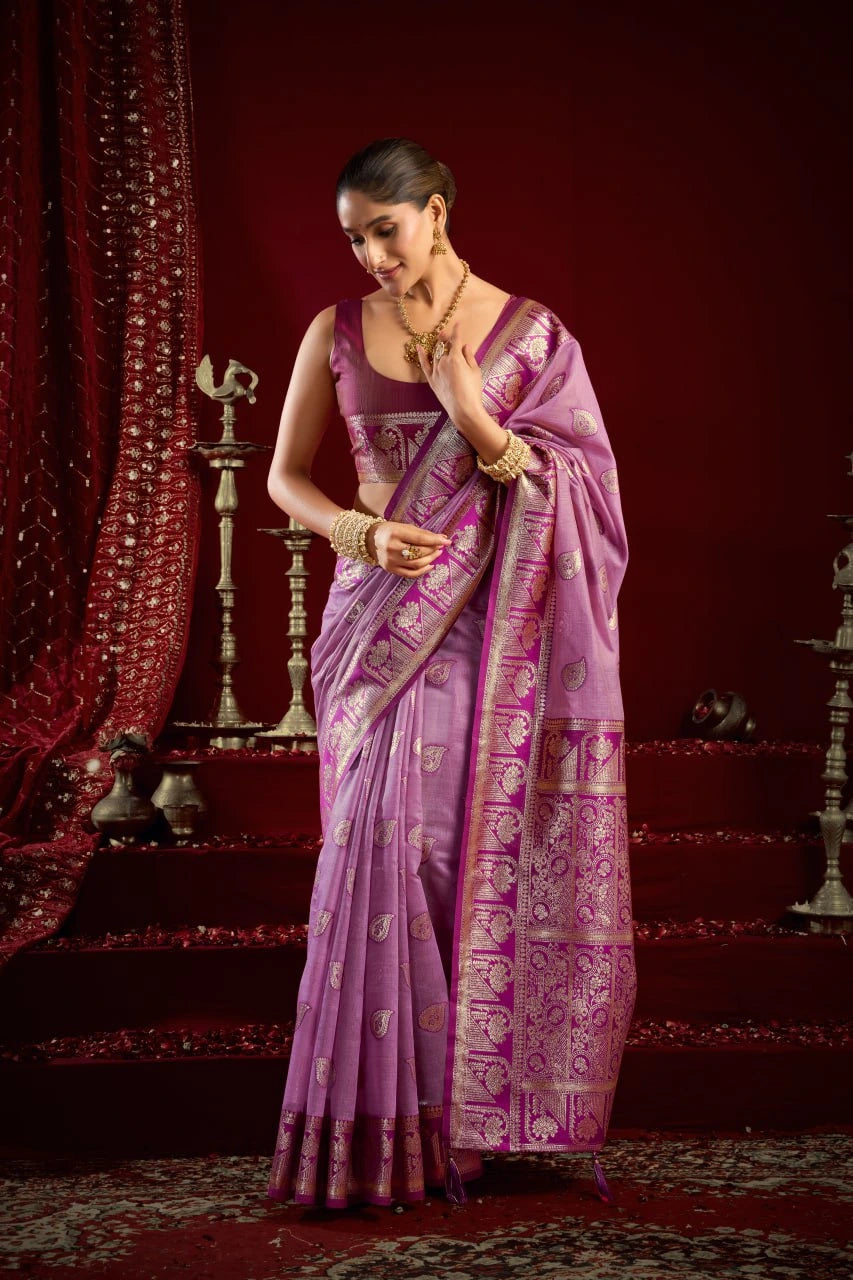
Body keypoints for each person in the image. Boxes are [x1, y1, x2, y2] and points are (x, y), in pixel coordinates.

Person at [265, 137, 636, 1209]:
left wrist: (475, 418)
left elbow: (590, 500)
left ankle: (460, 1124)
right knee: (380, 848)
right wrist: (360, 531)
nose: (371, 256)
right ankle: (375, 1133)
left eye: (384, 230)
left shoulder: (532, 338)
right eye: (354, 238)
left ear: (435, 210)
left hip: (495, 634)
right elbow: (287, 477)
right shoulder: (335, 331)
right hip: (377, 625)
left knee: (458, 861)